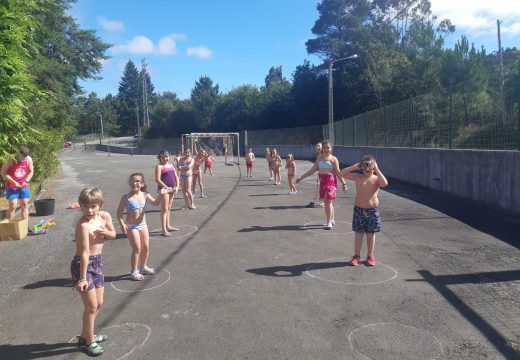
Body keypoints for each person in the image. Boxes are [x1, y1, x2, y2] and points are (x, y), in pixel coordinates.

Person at [70, 187, 116, 356]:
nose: (88, 210)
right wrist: (82, 278)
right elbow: (84, 253)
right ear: (80, 206)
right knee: (91, 306)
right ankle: (89, 341)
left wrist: (105, 232)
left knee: (99, 303)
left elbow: (113, 234)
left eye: (92, 206)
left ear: (100, 205)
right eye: (84, 207)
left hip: (98, 263)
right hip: (83, 264)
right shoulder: (83, 225)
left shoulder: (105, 216)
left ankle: (85, 336)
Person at [340, 154, 388, 266]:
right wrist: (354, 166)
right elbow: (342, 174)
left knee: (371, 234)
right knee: (359, 233)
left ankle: (370, 256)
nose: (367, 168)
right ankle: (356, 256)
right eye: (364, 165)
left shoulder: (376, 179)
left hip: (372, 210)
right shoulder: (358, 177)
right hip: (359, 210)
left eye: (369, 165)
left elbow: (385, 183)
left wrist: (376, 169)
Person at [117, 173, 162, 280]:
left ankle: (143, 267)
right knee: (137, 248)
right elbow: (119, 213)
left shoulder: (145, 195)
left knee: (145, 248)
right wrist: (122, 224)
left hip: (143, 225)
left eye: (137, 181)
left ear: (142, 184)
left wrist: (161, 194)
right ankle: (134, 271)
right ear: (129, 183)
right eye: (132, 181)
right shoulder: (126, 197)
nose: (135, 183)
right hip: (131, 226)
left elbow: (155, 203)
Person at [296, 141, 347, 229]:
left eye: (328, 147)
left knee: (327, 201)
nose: (326, 149)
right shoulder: (319, 159)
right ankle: (332, 219)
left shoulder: (333, 159)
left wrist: (344, 183)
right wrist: (301, 177)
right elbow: (312, 170)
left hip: (330, 181)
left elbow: (338, 172)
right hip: (322, 181)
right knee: (329, 202)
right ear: (322, 149)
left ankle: (329, 222)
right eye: (324, 147)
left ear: (331, 149)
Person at [1, 145, 34, 219]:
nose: (23, 159)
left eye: (24, 158)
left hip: (23, 185)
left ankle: (25, 227)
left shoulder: (28, 159)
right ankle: (9, 227)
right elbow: (3, 172)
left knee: (25, 204)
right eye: (22, 157)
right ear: (17, 153)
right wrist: (13, 182)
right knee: (13, 206)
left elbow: (31, 171)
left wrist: (26, 181)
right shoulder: (9, 159)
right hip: (11, 186)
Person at [154, 150, 180, 236]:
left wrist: (177, 187)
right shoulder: (159, 166)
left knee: (168, 209)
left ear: (169, 156)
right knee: (164, 209)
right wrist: (166, 187)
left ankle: (168, 226)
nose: (165, 158)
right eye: (163, 157)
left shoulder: (172, 165)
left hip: (172, 189)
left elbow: (176, 176)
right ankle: (164, 229)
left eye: (167, 156)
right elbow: (157, 179)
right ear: (160, 158)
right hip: (164, 190)